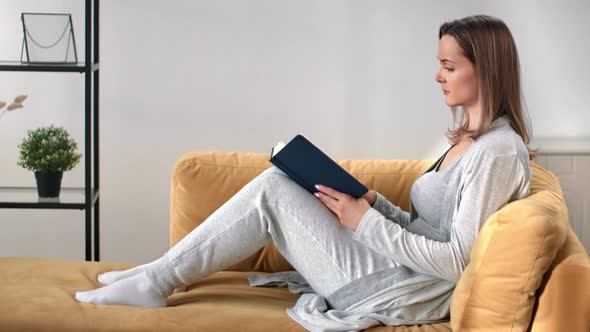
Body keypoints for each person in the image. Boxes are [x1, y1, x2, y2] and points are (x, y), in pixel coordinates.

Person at [75, 14, 537, 331]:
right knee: (286, 179)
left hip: (402, 291)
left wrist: (364, 222)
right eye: (439, 63)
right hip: (399, 269)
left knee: (274, 189)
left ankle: (157, 281)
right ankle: (158, 272)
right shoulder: (466, 141)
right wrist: (378, 207)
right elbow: (433, 231)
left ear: (486, 71)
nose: (438, 75)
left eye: (449, 66)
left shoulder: (498, 152)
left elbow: (458, 259)